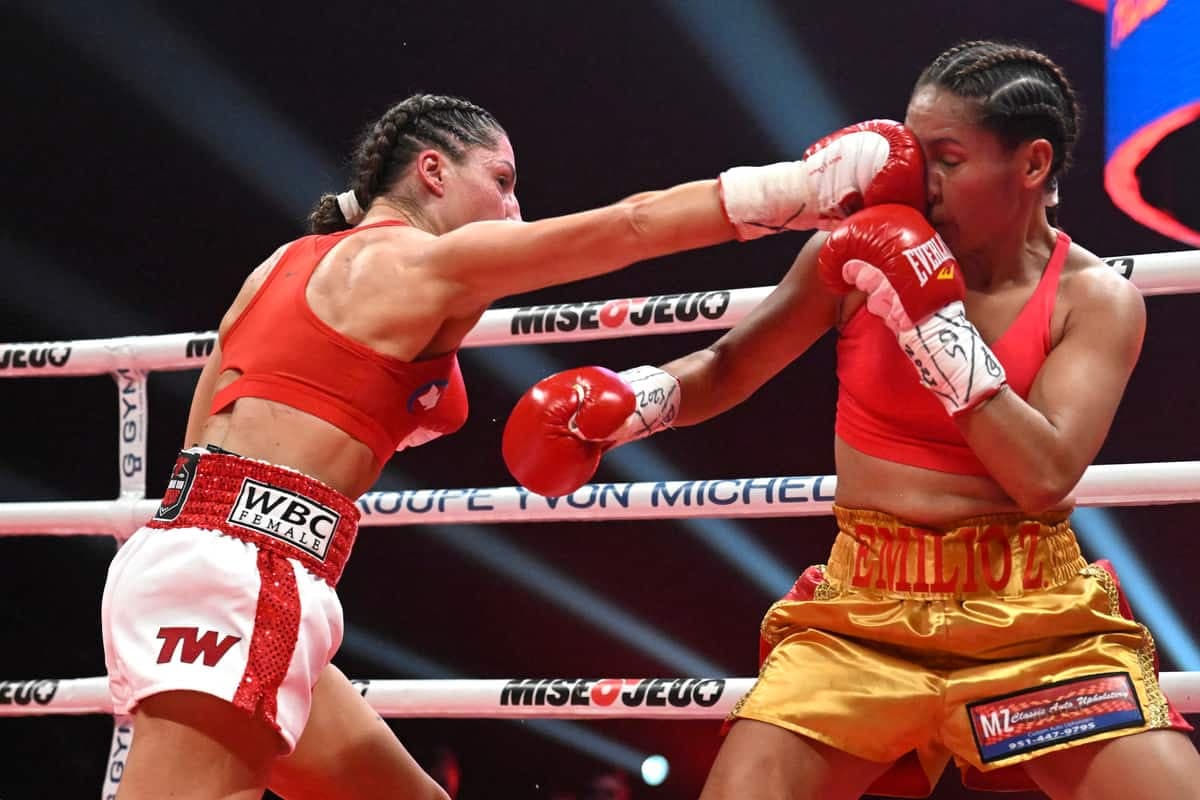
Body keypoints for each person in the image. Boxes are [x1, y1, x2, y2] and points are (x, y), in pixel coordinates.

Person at [98, 91, 925, 800]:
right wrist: (801, 189)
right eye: (501, 182)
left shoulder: (284, 264)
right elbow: (628, 227)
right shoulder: (423, 266)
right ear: (432, 172)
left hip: (193, 559)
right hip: (245, 577)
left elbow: (211, 439)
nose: (514, 211)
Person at [503, 41, 1200, 799]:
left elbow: (1043, 475)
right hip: (863, 614)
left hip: (1032, 616)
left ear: (1032, 164)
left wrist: (931, 325)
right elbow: (730, 364)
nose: (916, 180)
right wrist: (636, 402)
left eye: (948, 159)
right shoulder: (852, 255)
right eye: (912, 152)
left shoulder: (1093, 299)